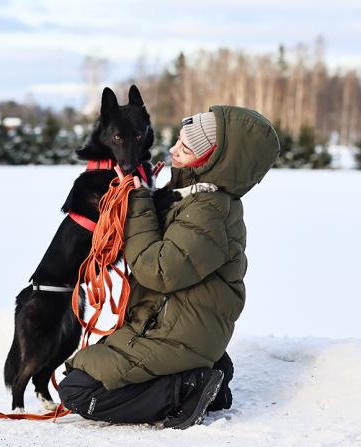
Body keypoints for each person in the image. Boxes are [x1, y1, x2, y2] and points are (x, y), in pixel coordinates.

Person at [58, 105, 280, 429]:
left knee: (78, 390)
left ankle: (188, 387)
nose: (173, 150)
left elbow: (158, 271)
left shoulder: (208, 212)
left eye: (185, 149)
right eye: (178, 140)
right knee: (83, 369)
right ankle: (207, 371)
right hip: (175, 323)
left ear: (213, 161)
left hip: (177, 330)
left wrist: (138, 203)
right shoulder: (192, 196)